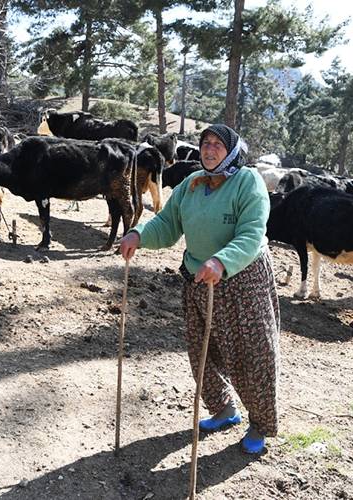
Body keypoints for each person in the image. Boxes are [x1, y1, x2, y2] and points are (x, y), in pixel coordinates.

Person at [119, 124, 280, 454]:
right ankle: (224, 409)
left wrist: (222, 261)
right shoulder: (191, 184)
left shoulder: (247, 181)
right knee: (203, 353)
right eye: (205, 143)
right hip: (199, 278)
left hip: (242, 280)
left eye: (218, 145)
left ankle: (260, 424)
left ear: (232, 151)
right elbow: (167, 224)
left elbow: (252, 233)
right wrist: (139, 234)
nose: (209, 149)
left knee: (253, 355)